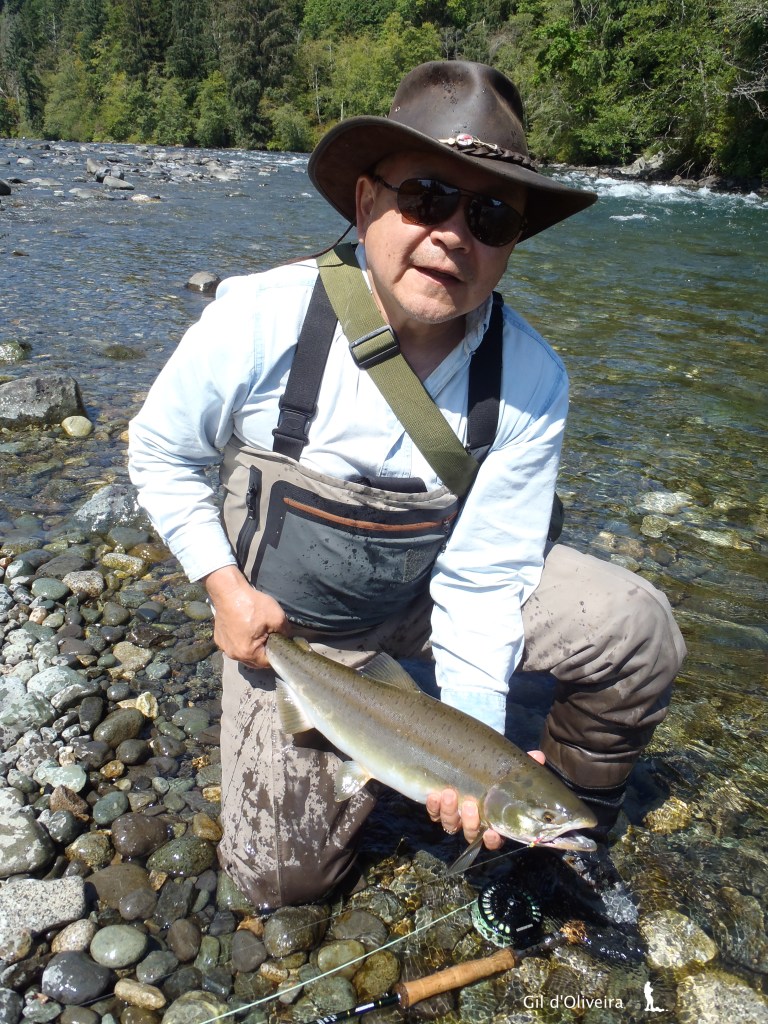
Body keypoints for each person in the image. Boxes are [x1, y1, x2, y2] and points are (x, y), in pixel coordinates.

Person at [128, 60, 686, 909]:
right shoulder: (262, 316)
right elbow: (160, 453)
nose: (455, 234)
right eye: (428, 197)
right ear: (365, 203)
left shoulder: (531, 377)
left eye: (490, 216)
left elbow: (484, 575)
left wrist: (478, 752)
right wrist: (224, 588)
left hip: (424, 593)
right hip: (294, 628)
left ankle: (563, 826)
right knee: (284, 884)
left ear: (511, 242)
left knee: (635, 629)